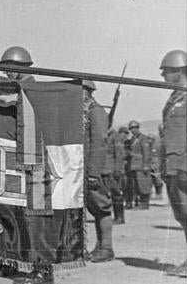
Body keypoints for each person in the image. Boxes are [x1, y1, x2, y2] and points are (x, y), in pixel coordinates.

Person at [159, 49, 187, 278]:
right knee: (183, 216)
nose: (162, 76)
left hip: (184, 167)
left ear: (180, 71)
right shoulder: (175, 98)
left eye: (167, 71)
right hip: (173, 167)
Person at [83, 80, 115, 263]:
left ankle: (107, 248)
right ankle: (100, 247)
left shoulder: (96, 112)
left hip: (94, 171)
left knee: (101, 208)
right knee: (94, 209)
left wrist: (93, 173)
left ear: (87, 92)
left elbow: (99, 144)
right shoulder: (85, 112)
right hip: (86, 169)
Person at [127, 120, 152, 209]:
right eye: (131, 129)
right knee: (137, 185)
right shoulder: (133, 139)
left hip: (141, 165)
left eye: (134, 128)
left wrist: (146, 165)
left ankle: (145, 203)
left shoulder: (143, 138)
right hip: (134, 166)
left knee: (144, 184)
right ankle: (141, 203)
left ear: (138, 128)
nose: (132, 130)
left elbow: (146, 152)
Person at [107, 128, 126, 224]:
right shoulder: (104, 134)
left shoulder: (115, 136)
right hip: (106, 169)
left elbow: (119, 154)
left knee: (116, 193)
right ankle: (115, 216)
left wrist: (118, 170)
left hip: (113, 170)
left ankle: (119, 217)